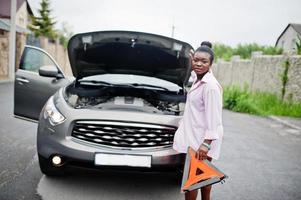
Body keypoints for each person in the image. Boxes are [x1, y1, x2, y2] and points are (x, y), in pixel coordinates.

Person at [173, 41, 223, 200]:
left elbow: (214, 118)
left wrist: (206, 144)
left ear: (211, 64)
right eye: (196, 60)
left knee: (193, 180)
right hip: (196, 136)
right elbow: (193, 71)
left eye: (204, 61)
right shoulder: (198, 78)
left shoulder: (210, 86)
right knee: (204, 175)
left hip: (202, 140)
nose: (199, 64)